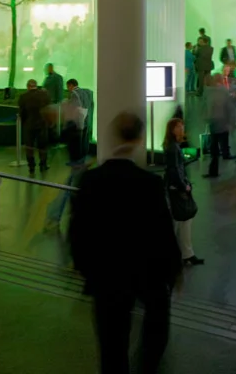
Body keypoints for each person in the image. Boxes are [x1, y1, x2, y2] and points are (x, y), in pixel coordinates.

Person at [69, 112, 182, 374]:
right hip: (144, 273)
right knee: (156, 328)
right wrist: (173, 269)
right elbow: (163, 232)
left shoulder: (91, 180)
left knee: (111, 346)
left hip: (106, 277)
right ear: (140, 139)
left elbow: (78, 231)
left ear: (114, 137)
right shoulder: (150, 184)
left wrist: (85, 269)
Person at [163, 118, 204, 267]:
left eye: (182, 126)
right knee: (183, 220)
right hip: (177, 189)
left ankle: (184, 254)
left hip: (174, 188)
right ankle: (185, 254)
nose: (181, 129)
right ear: (172, 130)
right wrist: (183, 186)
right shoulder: (174, 148)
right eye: (178, 127)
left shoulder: (172, 147)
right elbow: (175, 170)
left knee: (180, 221)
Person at [204, 74, 236, 179]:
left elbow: (207, 107)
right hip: (222, 122)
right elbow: (229, 108)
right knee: (223, 141)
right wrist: (231, 122)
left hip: (214, 122)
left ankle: (213, 170)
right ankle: (226, 156)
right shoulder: (223, 92)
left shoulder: (209, 92)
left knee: (214, 147)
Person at [19, 79, 52, 175]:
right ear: (36, 85)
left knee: (29, 147)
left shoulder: (23, 97)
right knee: (43, 146)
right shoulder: (44, 95)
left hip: (29, 125)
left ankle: (31, 167)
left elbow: (22, 112)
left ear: (28, 86)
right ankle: (43, 164)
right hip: (42, 124)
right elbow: (48, 108)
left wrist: (24, 123)